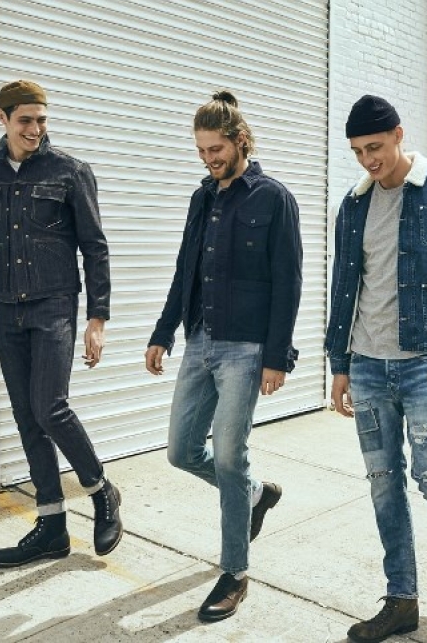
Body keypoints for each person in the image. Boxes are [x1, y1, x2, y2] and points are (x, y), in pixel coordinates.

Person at [0, 79, 122, 567]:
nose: (35, 129)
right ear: (3, 118)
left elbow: (95, 247)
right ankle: (51, 526)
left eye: (41, 120)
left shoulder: (70, 172)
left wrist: (97, 317)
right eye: (25, 120)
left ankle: (101, 490)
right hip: (7, 310)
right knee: (27, 417)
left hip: (54, 305)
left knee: (50, 407)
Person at [325, 95, 427, 643]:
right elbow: (344, 287)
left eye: (374, 147)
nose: (367, 159)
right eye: (357, 151)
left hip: (423, 363)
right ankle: (402, 598)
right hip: (368, 365)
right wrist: (340, 364)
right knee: (382, 483)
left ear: (399, 134)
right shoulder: (354, 206)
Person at [145, 90, 302, 622]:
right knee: (181, 451)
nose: (209, 159)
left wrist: (277, 356)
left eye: (216, 150)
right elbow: (184, 269)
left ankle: (235, 572)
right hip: (200, 340)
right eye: (201, 152)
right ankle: (255, 495)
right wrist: (163, 332)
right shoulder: (202, 198)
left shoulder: (273, 198)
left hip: (246, 349)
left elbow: (288, 282)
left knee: (231, 455)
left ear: (240, 141)